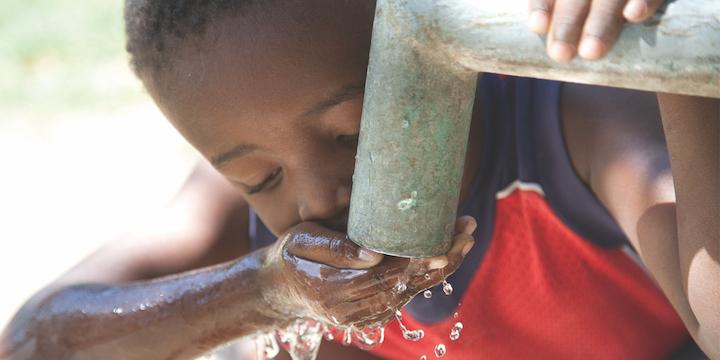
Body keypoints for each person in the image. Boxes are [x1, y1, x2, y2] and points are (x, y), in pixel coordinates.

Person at [2, 0, 718, 359]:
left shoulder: (568, 120)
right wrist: (264, 289)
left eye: (352, 131)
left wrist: (678, 63)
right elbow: (37, 339)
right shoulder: (259, 219)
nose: (316, 198)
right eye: (260, 175)